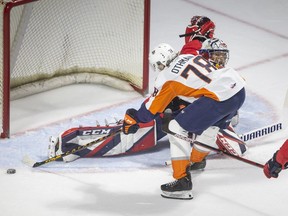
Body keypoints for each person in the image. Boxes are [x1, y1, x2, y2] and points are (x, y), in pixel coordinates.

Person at [122, 37, 247, 200]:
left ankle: (182, 182)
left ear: (162, 62)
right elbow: (193, 46)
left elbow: (149, 112)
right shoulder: (188, 56)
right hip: (238, 90)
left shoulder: (166, 77)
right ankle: (197, 161)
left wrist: (133, 117)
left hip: (220, 98)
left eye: (158, 65)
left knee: (175, 128)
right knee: (212, 127)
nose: (159, 68)